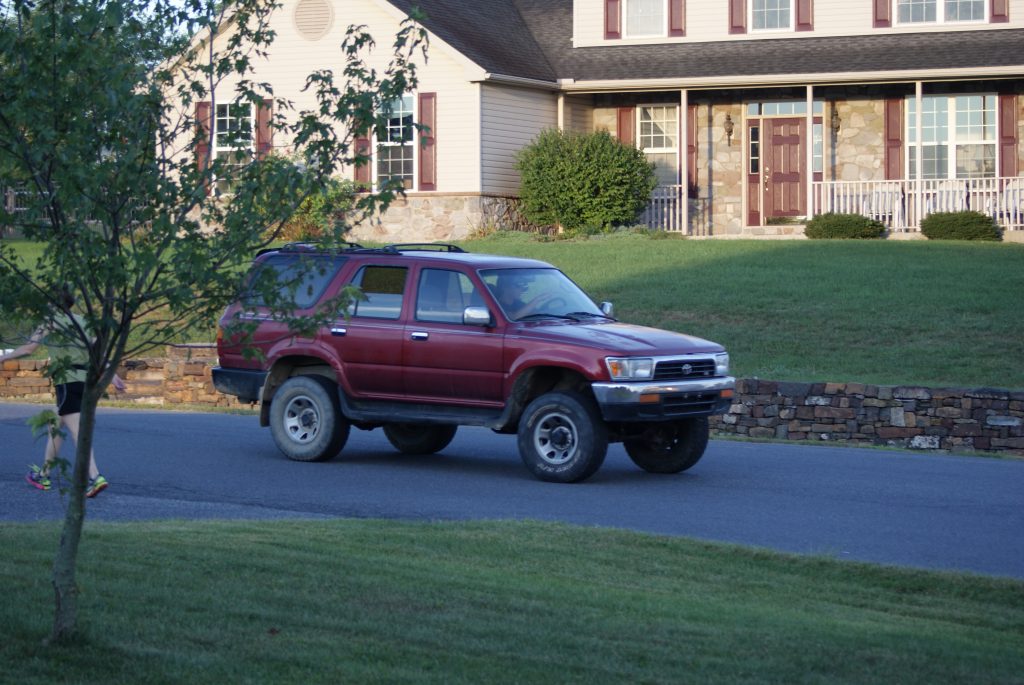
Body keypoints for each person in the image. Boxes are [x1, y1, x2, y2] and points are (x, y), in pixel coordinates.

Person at [0, 290, 125, 497]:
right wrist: (113, 375)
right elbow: (99, 351)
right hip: (85, 381)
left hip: (66, 381)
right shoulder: (83, 321)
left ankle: (95, 477)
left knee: (79, 433)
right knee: (56, 425)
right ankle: (44, 474)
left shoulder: (50, 321)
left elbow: (29, 349)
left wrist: (3, 358)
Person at [492, 273, 559, 321]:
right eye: (518, 285)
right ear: (505, 287)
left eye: (523, 286)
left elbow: (536, 313)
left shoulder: (519, 303)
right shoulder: (497, 306)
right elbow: (513, 317)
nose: (522, 289)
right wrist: (538, 299)